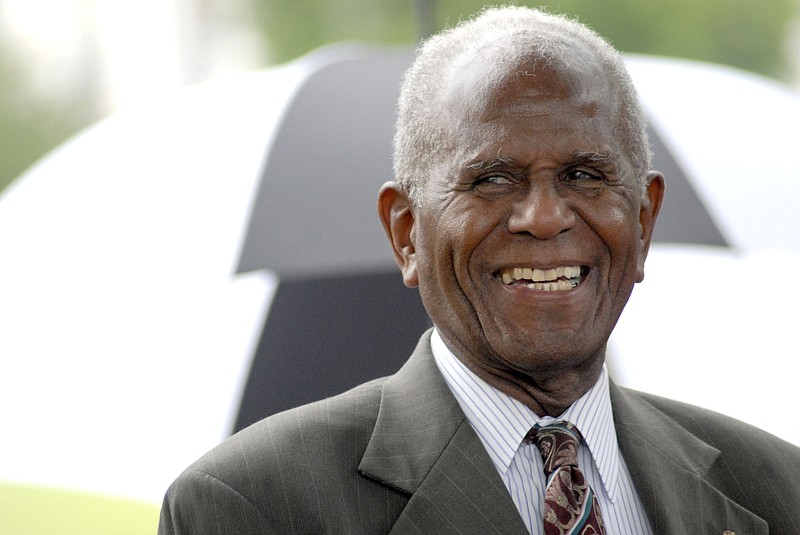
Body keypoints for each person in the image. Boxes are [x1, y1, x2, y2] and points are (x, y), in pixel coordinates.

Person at [158, 6, 800, 534]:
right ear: (406, 232)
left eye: (583, 175)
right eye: (492, 179)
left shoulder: (776, 490)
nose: (545, 217)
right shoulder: (252, 508)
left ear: (643, 221)